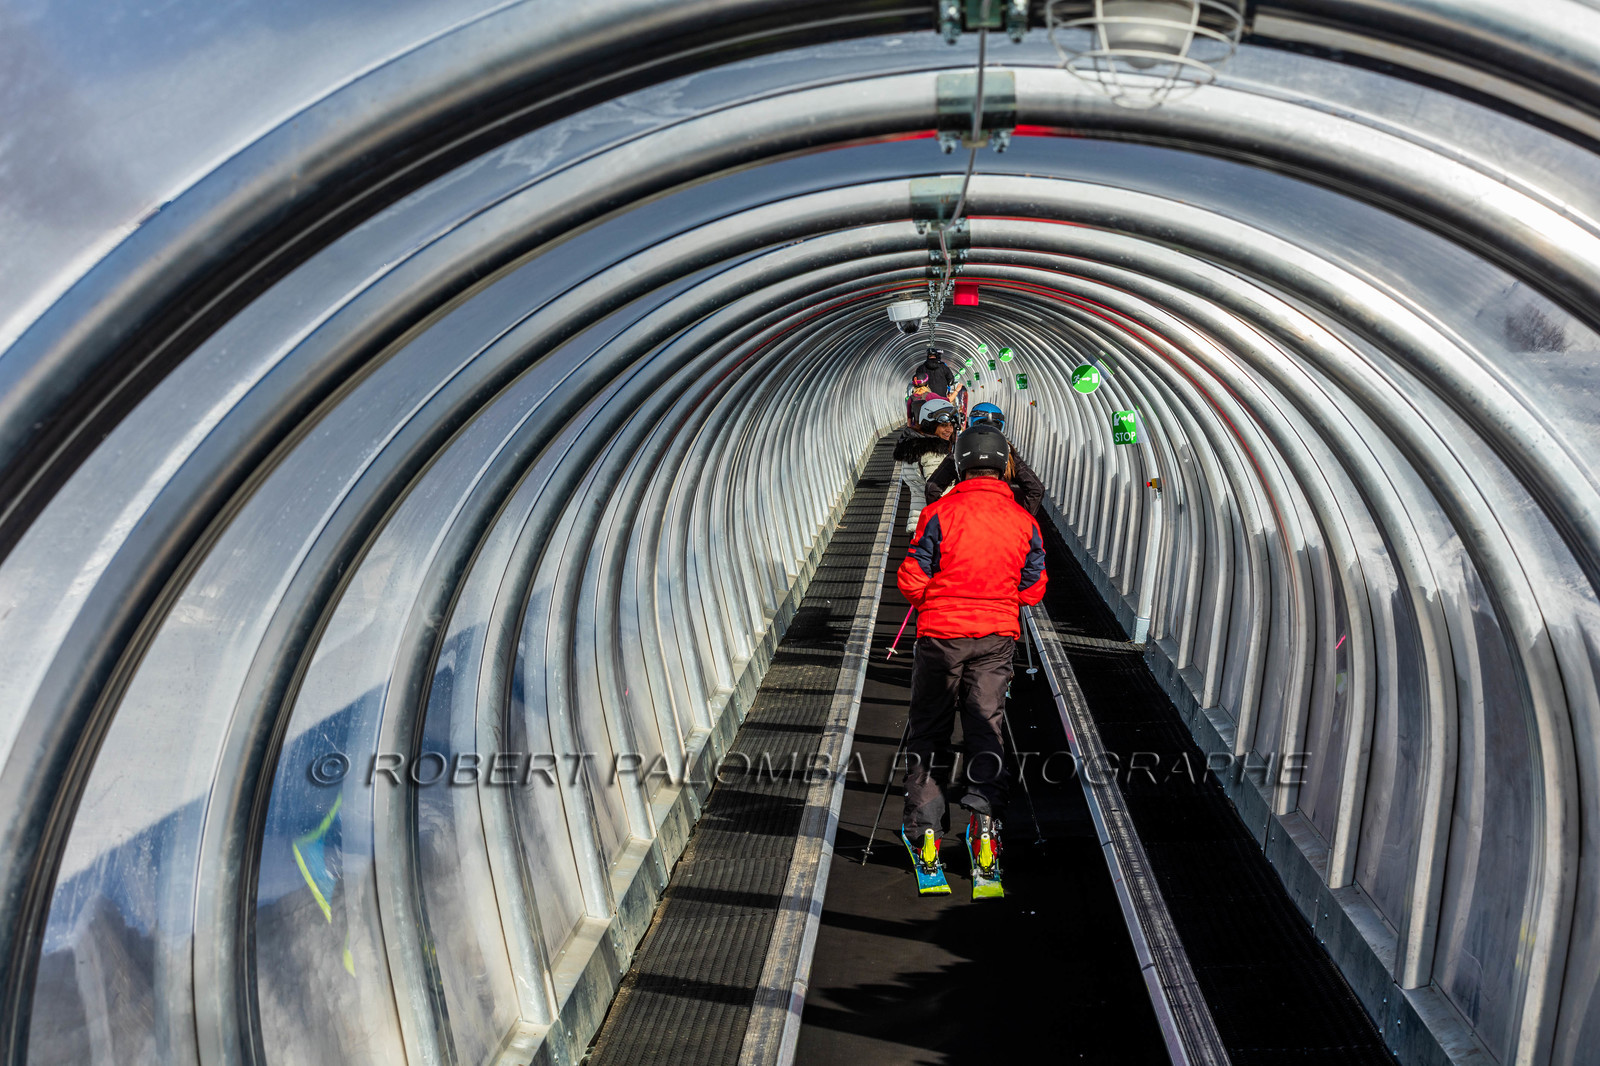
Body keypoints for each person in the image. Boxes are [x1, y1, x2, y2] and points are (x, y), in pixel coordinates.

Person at [896, 423, 1048, 886]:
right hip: (996, 638)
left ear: (960, 463)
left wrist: (935, 602)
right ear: (1004, 465)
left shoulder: (940, 512)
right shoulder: (1024, 520)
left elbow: (911, 576)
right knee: (987, 729)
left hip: (940, 637)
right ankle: (984, 832)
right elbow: (1034, 587)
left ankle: (926, 840)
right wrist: (997, 601)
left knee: (929, 734)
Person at [924, 402, 1044, 515]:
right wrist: (1020, 517)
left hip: (965, 515)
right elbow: (1036, 489)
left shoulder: (960, 451)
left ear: (971, 422)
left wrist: (942, 517)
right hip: (1001, 516)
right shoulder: (1008, 453)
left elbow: (932, 489)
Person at [893, 397, 958, 534]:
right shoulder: (932, 454)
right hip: (934, 526)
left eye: (951, 425)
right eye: (943, 425)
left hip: (918, 522)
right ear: (929, 424)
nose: (949, 430)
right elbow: (937, 492)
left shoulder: (911, 448)